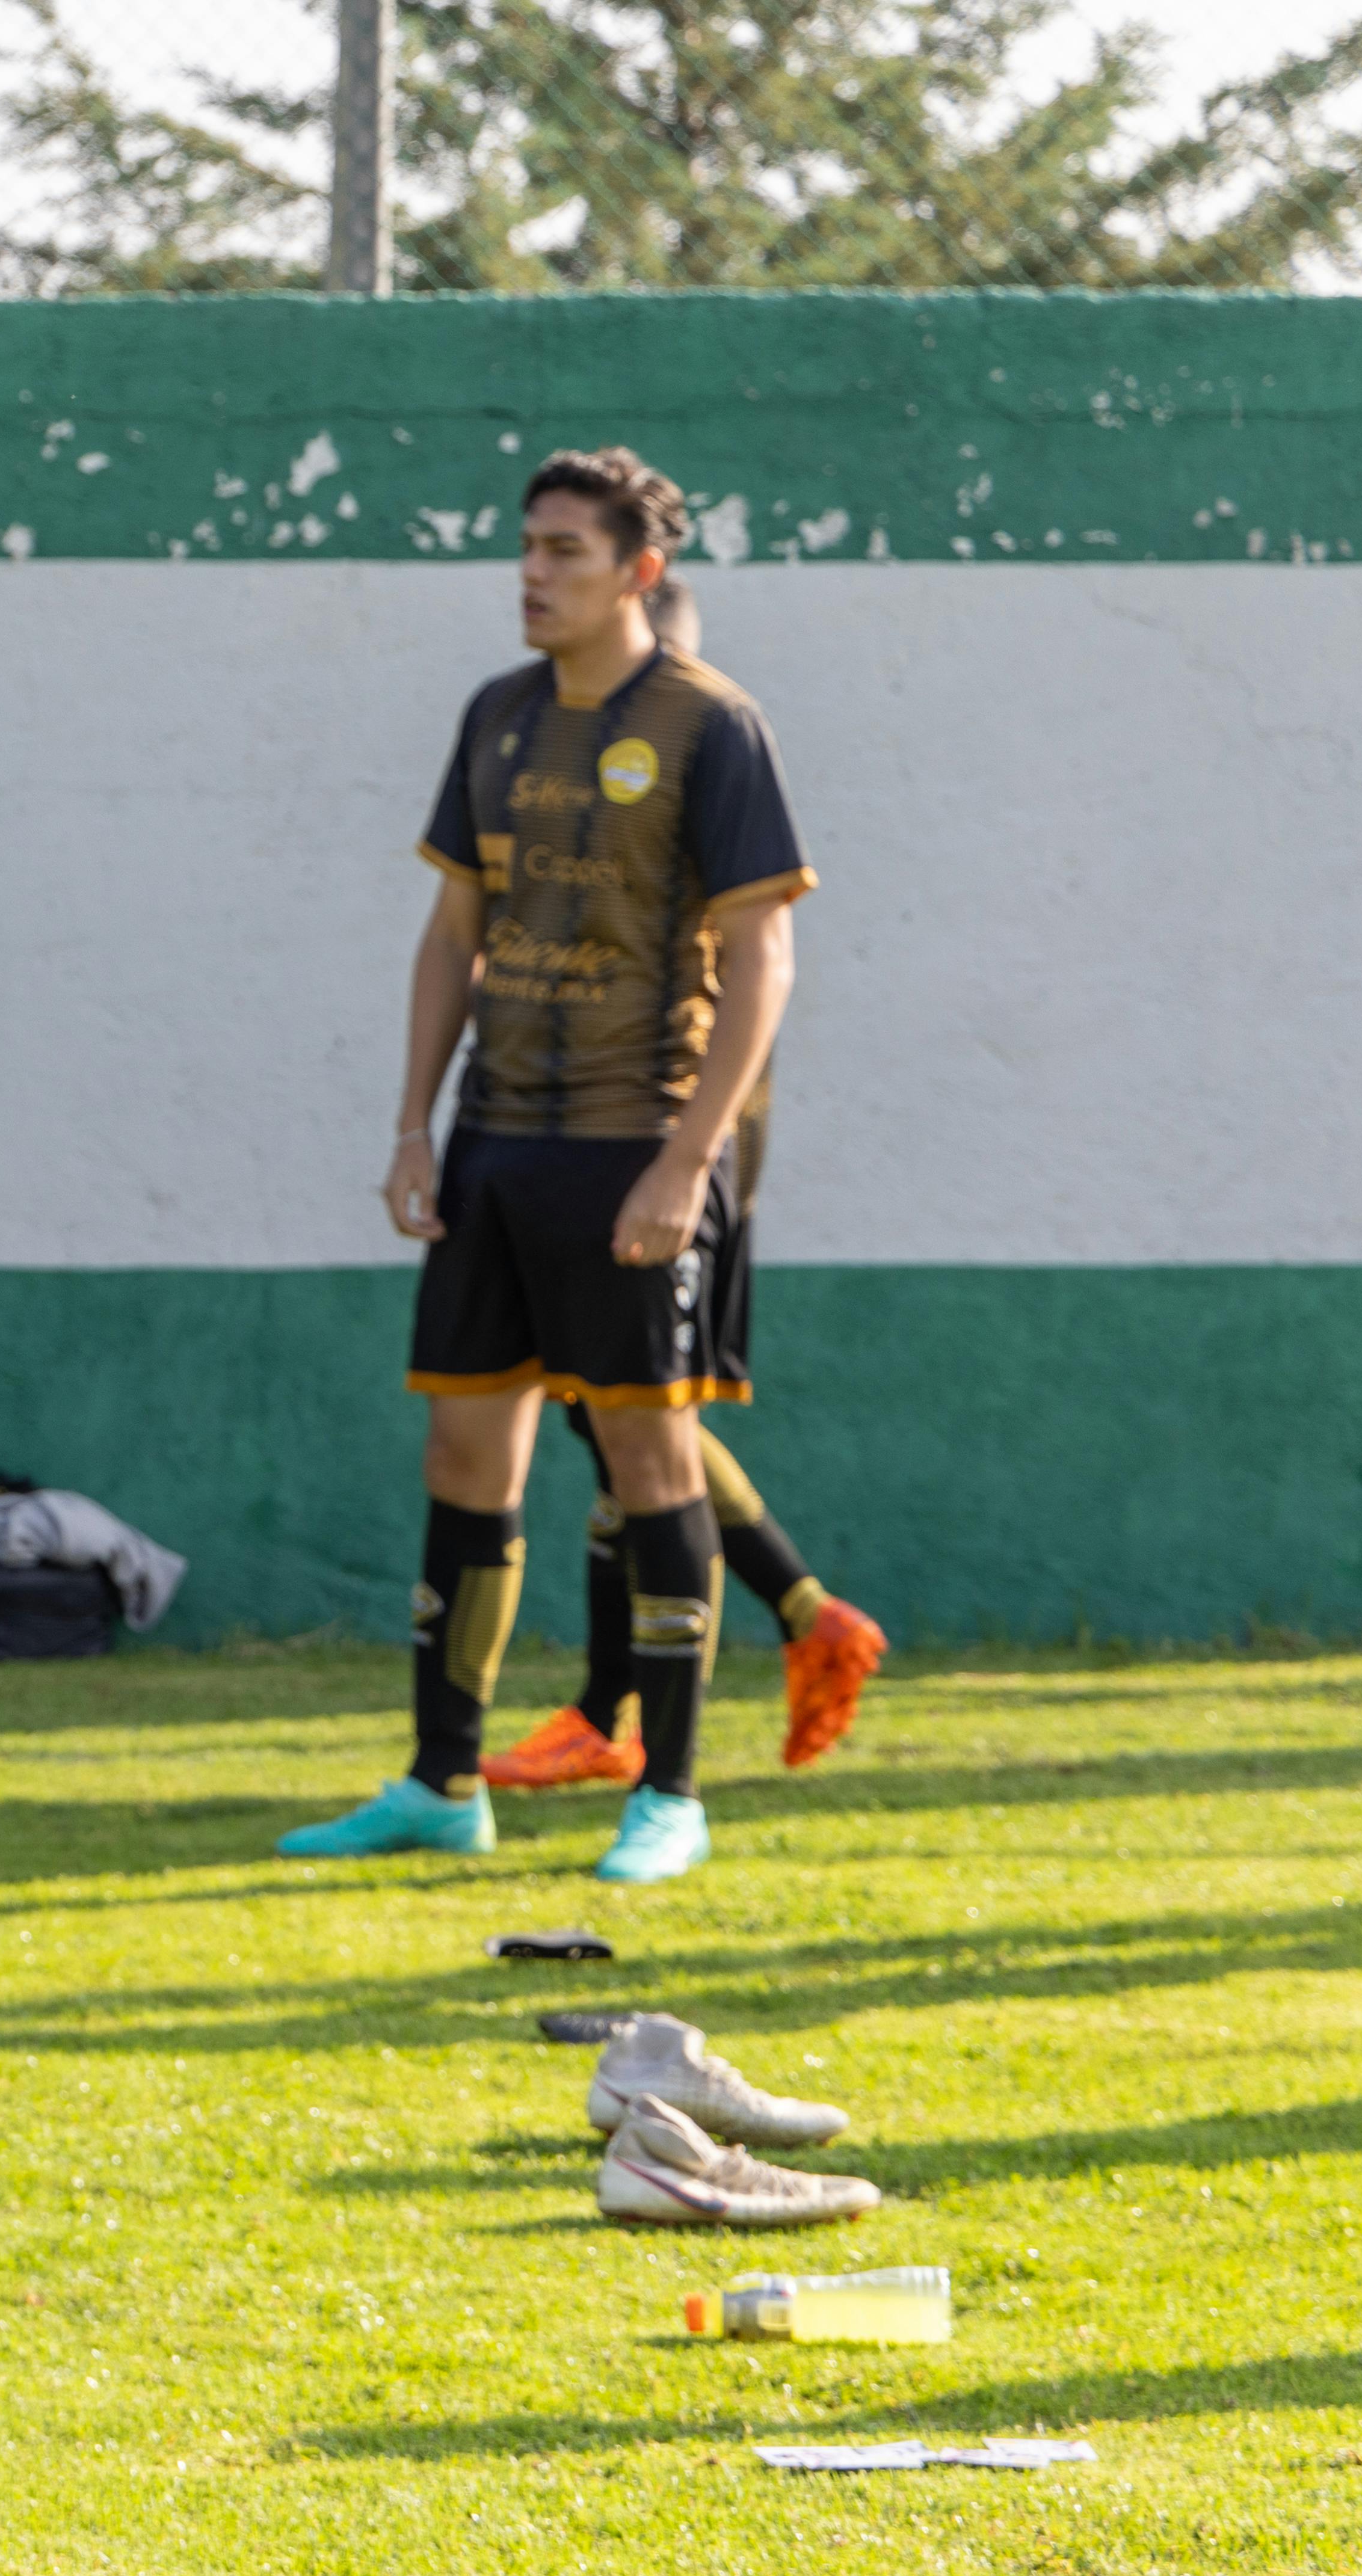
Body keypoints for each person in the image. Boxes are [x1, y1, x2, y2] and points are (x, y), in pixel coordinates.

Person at [283, 445, 813, 1886]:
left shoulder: (712, 727)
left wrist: (686, 1161)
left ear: (639, 572)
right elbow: (453, 935)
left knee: (648, 1455)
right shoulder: (496, 717)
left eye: (566, 551)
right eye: (526, 546)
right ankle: (442, 1779)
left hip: (636, 1139)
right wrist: (412, 1123)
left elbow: (766, 955)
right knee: (465, 1452)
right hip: (495, 1144)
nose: (533, 573)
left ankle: (672, 1789)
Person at [487, 573, 886, 1791]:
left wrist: (687, 1151)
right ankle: (642, 1695)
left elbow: (755, 956)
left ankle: (751, 1647)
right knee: (611, 1415)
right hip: (582, 1131)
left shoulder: (702, 756)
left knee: (629, 1413)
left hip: (669, 1137)